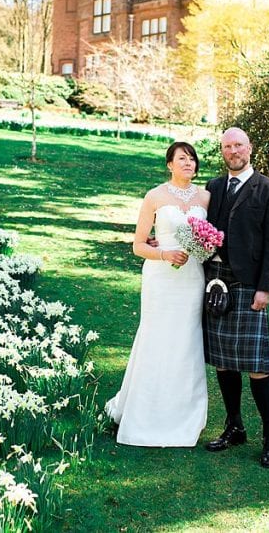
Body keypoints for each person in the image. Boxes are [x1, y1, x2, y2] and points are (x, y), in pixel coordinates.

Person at [105, 142, 210, 447]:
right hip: (161, 279)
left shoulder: (206, 196)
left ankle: (183, 414)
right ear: (169, 164)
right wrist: (165, 255)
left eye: (192, 159)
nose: (188, 163)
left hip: (192, 279)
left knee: (186, 341)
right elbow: (138, 245)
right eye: (182, 158)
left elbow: (211, 236)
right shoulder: (154, 196)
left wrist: (206, 246)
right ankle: (145, 410)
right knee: (156, 337)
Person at [202, 127, 269, 468]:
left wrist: (266, 287)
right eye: (227, 146)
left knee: (256, 365)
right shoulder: (213, 187)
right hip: (214, 282)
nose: (233, 150)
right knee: (223, 360)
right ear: (222, 151)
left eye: (239, 144)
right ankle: (234, 425)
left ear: (250, 148)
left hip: (249, 285)